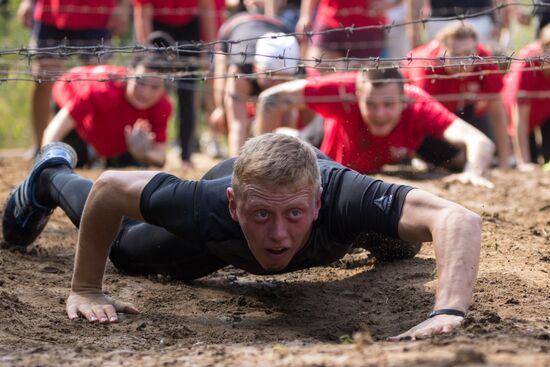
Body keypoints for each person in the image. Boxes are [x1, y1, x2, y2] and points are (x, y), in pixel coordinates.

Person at [2, 133, 480, 340]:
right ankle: (50, 175)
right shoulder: (206, 204)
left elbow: (457, 218)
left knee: (403, 245)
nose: (277, 233)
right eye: (260, 215)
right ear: (234, 204)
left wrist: (448, 312)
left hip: (332, 210)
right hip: (223, 224)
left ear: (315, 204)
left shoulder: (344, 198)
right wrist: (85, 287)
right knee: (127, 251)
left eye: (293, 214)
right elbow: (109, 189)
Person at [255, 68, 496, 187]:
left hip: (398, 144)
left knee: (460, 160)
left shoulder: (418, 105)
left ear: (403, 101)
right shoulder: (341, 92)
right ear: (357, 96)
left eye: (389, 104)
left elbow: (480, 141)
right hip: (332, 139)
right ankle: (292, 136)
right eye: (371, 104)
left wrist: (473, 173)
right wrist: (256, 158)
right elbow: (270, 99)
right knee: (292, 151)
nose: (380, 114)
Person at [17, 0, 130, 155]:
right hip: (51, 12)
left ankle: (97, 152)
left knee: (100, 84)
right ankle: (40, 148)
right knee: (43, 78)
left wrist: (122, 6)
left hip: (98, 12)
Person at [403, 22, 512, 169]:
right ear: (442, 51)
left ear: (476, 50)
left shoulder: (484, 59)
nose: (463, 62)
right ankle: (420, 158)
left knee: (487, 150)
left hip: (465, 105)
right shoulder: (426, 67)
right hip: (426, 116)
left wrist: (504, 161)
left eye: (468, 54)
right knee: (457, 160)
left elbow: (498, 111)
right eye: (455, 54)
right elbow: (419, 117)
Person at [41, 53, 173, 168]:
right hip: (69, 92)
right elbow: (54, 131)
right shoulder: (103, 91)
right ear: (130, 74)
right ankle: (90, 153)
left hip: (111, 130)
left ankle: (102, 156)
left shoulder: (162, 105)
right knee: (71, 160)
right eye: (140, 82)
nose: (145, 93)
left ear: (164, 88)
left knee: (131, 166)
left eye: (155, 87)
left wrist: (143, 154)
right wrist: (46, 165)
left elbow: (161, 157)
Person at [133, 0, 217, 171]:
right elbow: (143, 15)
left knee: (187, 96)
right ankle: (145, 151)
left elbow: (206, 10)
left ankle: (186, 155)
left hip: (189, 32)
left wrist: (208, 50)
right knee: (150, 93)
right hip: (157, 31)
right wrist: (148, 52)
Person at [209, 9, 301, 156]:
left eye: (282, 80)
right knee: (224, 114)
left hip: (278, 26)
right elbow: (237, 126)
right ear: (256, 67)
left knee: (288, 114)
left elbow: (288, 124)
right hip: (234, 26)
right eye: (271, 78)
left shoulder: (296, 69)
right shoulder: (240, 70)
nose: (275, 85)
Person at [502, 24, 550, 169]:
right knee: (532, 160)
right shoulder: (528, 63)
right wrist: (524, 162)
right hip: (517, 121)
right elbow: (519, 118)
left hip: (545, 115)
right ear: (542, 49)